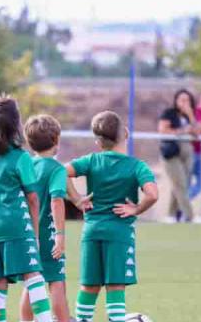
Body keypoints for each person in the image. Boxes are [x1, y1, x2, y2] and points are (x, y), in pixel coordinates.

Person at [67, 111, 159, 322]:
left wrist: (77, 199)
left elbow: (61, 171)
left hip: (91, 231)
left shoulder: (91, 160)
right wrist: (136, 209)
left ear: (98, 142)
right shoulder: (137, 166)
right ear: (125, 133)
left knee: (89, 286)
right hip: (119, 233)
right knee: (115, 285)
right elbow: (153, 194)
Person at [0, 96, 53, 322]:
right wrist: (35, 232)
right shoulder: (21, 158)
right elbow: (33, 198)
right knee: (33, 275)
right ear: (15, 126)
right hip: (18, 226)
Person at [19, 115, 72, 322]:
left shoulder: (27, 165)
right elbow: (57, 200)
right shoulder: (56, 169)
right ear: (56, 140)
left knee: (33, 282)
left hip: (28, 234)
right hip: (48, 236)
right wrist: (59, 235)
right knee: (56, 282)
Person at [157, 89, 197, 222]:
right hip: (172, 151)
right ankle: (189, 216)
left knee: (182, 183)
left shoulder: (189, 115)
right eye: (182, 100)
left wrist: (191, 115)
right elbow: (163, 130)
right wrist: (182, 130)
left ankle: (171, 215)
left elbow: (196, 133)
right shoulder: (169, 113)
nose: (185, 103)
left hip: (187, 151)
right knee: (180, 183)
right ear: (176, 101)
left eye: (187, 100)